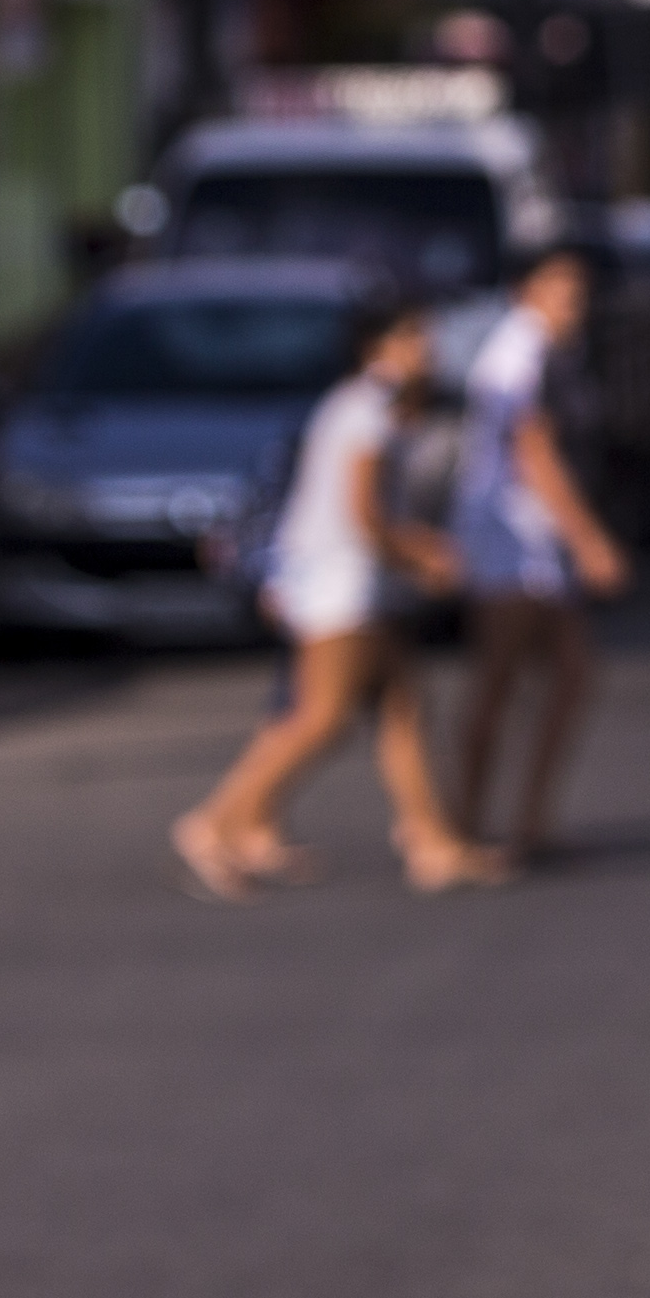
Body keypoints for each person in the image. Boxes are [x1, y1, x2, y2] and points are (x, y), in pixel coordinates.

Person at [175, 295, 493, 899]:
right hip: (340, 586)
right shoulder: (366, 411)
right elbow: (365, 514)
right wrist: (424, 554)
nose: (426, 349)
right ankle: (217, 820)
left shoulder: (368, 407)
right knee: (322, 717)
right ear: (380, 347)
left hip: (355, 583)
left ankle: (433, 840)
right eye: (413, 336)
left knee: (402, 710)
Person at [450, 239, 634, 859]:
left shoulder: (559, 349)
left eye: (578, 286)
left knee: (570, 675)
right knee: (499, 680)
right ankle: (464, 822)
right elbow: (535, 453)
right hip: (507, 539)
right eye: (558, 285)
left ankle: (530, 821)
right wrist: (590, 541)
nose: (573, 300)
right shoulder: (518, 353)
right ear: (525, 289)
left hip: (537, 540)